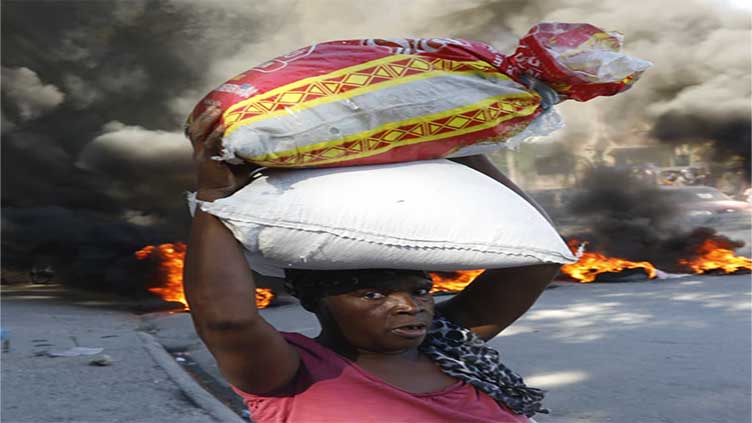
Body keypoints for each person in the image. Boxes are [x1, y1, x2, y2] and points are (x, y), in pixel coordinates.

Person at [183, 107, 560, 422]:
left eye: (421, 290)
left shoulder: (448, 344)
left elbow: (539, 254)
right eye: (373, 294)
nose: (409, 306)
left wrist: (463, 146)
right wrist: (215, 197)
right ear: (313, 298)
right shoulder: (290, 373)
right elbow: (226, 319)